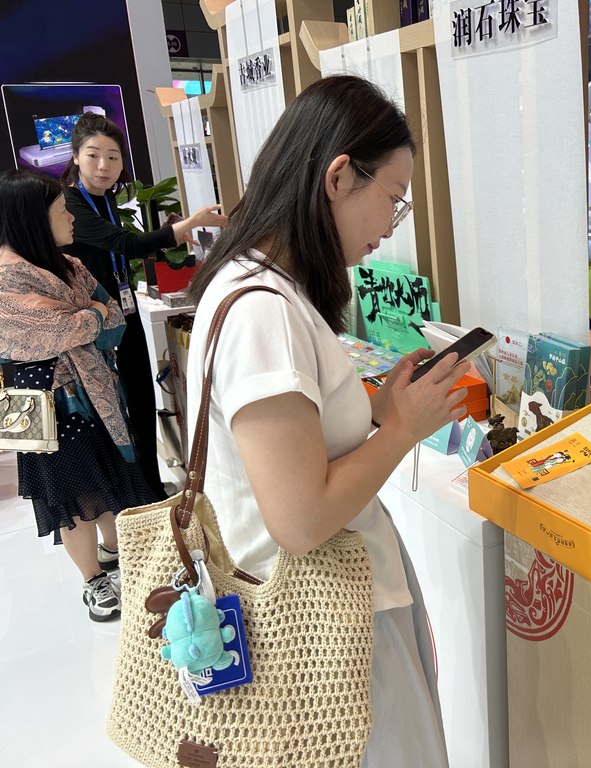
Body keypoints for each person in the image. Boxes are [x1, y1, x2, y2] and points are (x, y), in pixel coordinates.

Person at [185, 75, 467, 767]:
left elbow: (290, 456)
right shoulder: (264, 310)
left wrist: (374, 414)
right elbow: (302, 520)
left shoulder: (256, 285)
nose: (390, 226)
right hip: (320, 628)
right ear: (339, 176)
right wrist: (401, 431)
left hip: (315, 615)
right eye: (393, 199)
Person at [0, 169, 161, 621]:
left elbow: (113, 320)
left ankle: (114, 552)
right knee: (69, 494)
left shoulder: (70, 264)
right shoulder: (5, 278)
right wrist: (88, 314)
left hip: (93, 390)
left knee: (108, 475)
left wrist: (86, 318)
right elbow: (60, 330)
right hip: (37, 401)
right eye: (62, 210)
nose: (71, 217)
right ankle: (93, 580)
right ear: (33, 219)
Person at [60, 112, 227, 500]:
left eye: (113, 157)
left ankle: (149, 490)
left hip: (124, 310)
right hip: (92, 322)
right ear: (76, 156)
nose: (103, 166)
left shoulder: (105, 200)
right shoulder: (71, 203)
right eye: (93, 155)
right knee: (112, 408)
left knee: (140, 399)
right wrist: (186, 225)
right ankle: (130, 494)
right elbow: (125, 245)